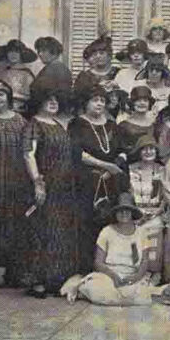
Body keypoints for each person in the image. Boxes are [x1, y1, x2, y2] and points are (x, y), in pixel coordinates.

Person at [22, 87, 80, 297]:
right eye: (48, 100)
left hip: (64, 187)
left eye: (56, 99)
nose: (54, 102)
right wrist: (38, 182)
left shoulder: (58, 124)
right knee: (42, 232)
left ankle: (55, 280)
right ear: (39, 102)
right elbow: (29, 154)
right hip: (47, 185)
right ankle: (37, 282)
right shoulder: (33, 125)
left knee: (60, 233)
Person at [0, 81, 32, 288]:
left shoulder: (20, 121)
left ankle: (13, 271)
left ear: (8, 97)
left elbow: (28, 152)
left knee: (15, 225)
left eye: (1, 94)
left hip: (16, 181)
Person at [68, 85, 126, 273]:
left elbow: (123, 152)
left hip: (111, 182)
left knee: (110, 224)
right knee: (87, 225)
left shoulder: (112, 125)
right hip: (87, 182)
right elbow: (79, 153)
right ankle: (86, 270)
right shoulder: (77, 124)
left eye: (102, 100)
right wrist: (105, 166)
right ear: (86, 103)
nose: (99, 103)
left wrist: (114, 167)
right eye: (95, 100)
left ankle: (111, 269)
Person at [60, 193, 156, 305]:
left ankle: (115, 297)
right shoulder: (107, 231)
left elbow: (145, 261)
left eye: (127, 210)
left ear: (132, 213)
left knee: (143, 297)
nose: (124, 213)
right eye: (120, 210)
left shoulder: (142, 233)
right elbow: (98, 262)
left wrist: (136, 277)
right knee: (99, 292)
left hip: (132, 276)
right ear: (115, 213)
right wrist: (113, 276)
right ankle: (82, 287)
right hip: (108, 276)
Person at [126, 135, 166, 284]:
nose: (148, 152)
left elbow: (167, 196)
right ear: (139, 152)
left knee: (155, 231)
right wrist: (137, 213)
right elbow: (128, 194)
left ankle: (154, 273)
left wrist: (158, 211)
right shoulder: (131, 170)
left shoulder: (163, 170)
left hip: (156, 212)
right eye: (144, 149)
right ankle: (137, 273)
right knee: (134, 236)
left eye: (151, 149)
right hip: (136, 213)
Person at [0, 39, 36, 113]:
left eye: (16, 52)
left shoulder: (26, 74)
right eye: (10, 52)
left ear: (21, 54)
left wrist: (10, 95)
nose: (13, 55)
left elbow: (30, 97)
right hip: (0, 108)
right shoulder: (3, 71)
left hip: (19, 110)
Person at [30, 37, 72, 104]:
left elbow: (61, 95)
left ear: (54, 52)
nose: (40, 54)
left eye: (43, 51)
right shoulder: (49, 68)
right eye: (38, 51)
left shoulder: (58, 68)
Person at [116, 86, 156, 157]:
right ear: (132, 103)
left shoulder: (154, 124)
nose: (142, 103)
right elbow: (119, 150)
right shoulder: (123, 126)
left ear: (149, 104)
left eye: (145, 100)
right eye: (138, 100)